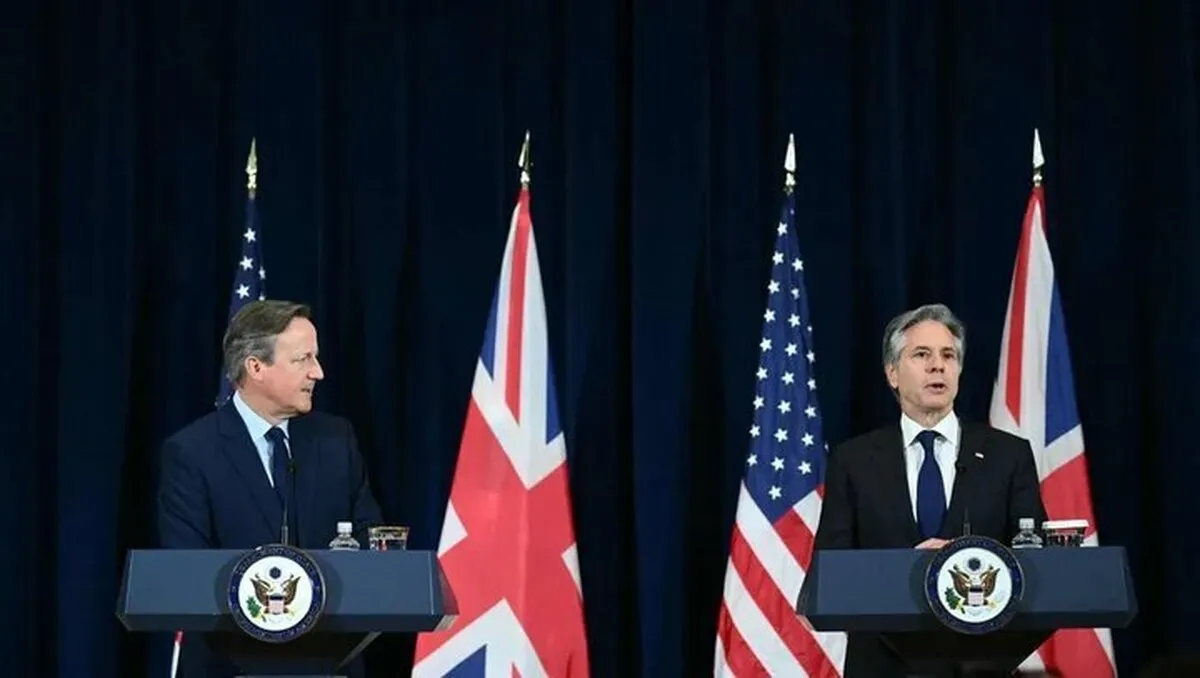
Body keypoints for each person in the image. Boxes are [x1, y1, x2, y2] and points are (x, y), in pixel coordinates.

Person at [810, 303, 1048, 677]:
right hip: (881, 666)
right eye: (922, 354)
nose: (938, 366)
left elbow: (1036, 559)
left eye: (948, 355)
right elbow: (831, 571)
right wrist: (909, 568)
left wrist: (965, 560)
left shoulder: (1008, 455)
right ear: (892, 373)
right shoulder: (853, 460)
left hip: (980, 664)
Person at [156, 299, 384, 677]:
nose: (318, 372)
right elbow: (186, 569)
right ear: (256, 367)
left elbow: (370, 539)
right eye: (303, 359)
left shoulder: (336, 439)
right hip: (228, 667)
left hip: (328, 665)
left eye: (315, 358)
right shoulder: (192, 452)